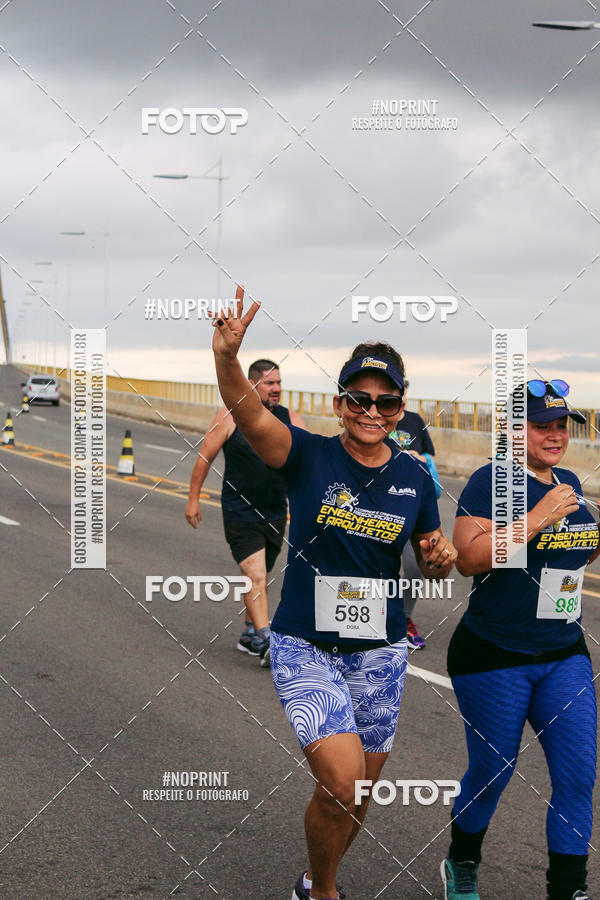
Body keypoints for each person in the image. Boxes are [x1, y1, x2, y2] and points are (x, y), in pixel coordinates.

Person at [210, 287, 457, 900]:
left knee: (358, 792)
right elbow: (249, 416)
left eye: (386, 401)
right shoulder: (307, 455)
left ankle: (316, 881)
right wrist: (226, 361)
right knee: (342, 780)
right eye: (359, 398)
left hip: (381, 651)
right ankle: (324, 895)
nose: (372, 411)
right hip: (308, 646)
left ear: (401, 409)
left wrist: (440, 559)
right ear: (341, 401)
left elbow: (431, 555)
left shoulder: (414, 478)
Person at [442, 380, 599, 900]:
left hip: (562, 652)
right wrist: (538, 518)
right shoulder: (493, 481)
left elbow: (581, 550)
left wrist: (576, 538)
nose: (556, 435)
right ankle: (462, 863)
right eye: (542, 425)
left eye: (562, 426)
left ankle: (568, 890)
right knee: (493, 772)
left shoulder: (570, 480)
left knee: (578, 777)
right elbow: (468, 557)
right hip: (494, 653)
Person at [185, 357, 305, 664]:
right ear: (252, 385)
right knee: (255, 574)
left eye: (279, 382)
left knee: (261, 575)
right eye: (270, 383)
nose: (277, 389)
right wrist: (193, 498)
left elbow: (308, 462)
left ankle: (249, 631)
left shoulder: (291, 418)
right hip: (240, 511)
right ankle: (267, 641)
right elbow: (204, 457)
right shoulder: (229, 416)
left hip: (276, 511)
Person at [389, 386, 441, 650]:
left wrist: (420, 459)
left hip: (412, 507)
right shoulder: (370, 421)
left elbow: (429, 458)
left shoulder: (415, 421)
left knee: (414, 571)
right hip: (380, 509)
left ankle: (404, 620)